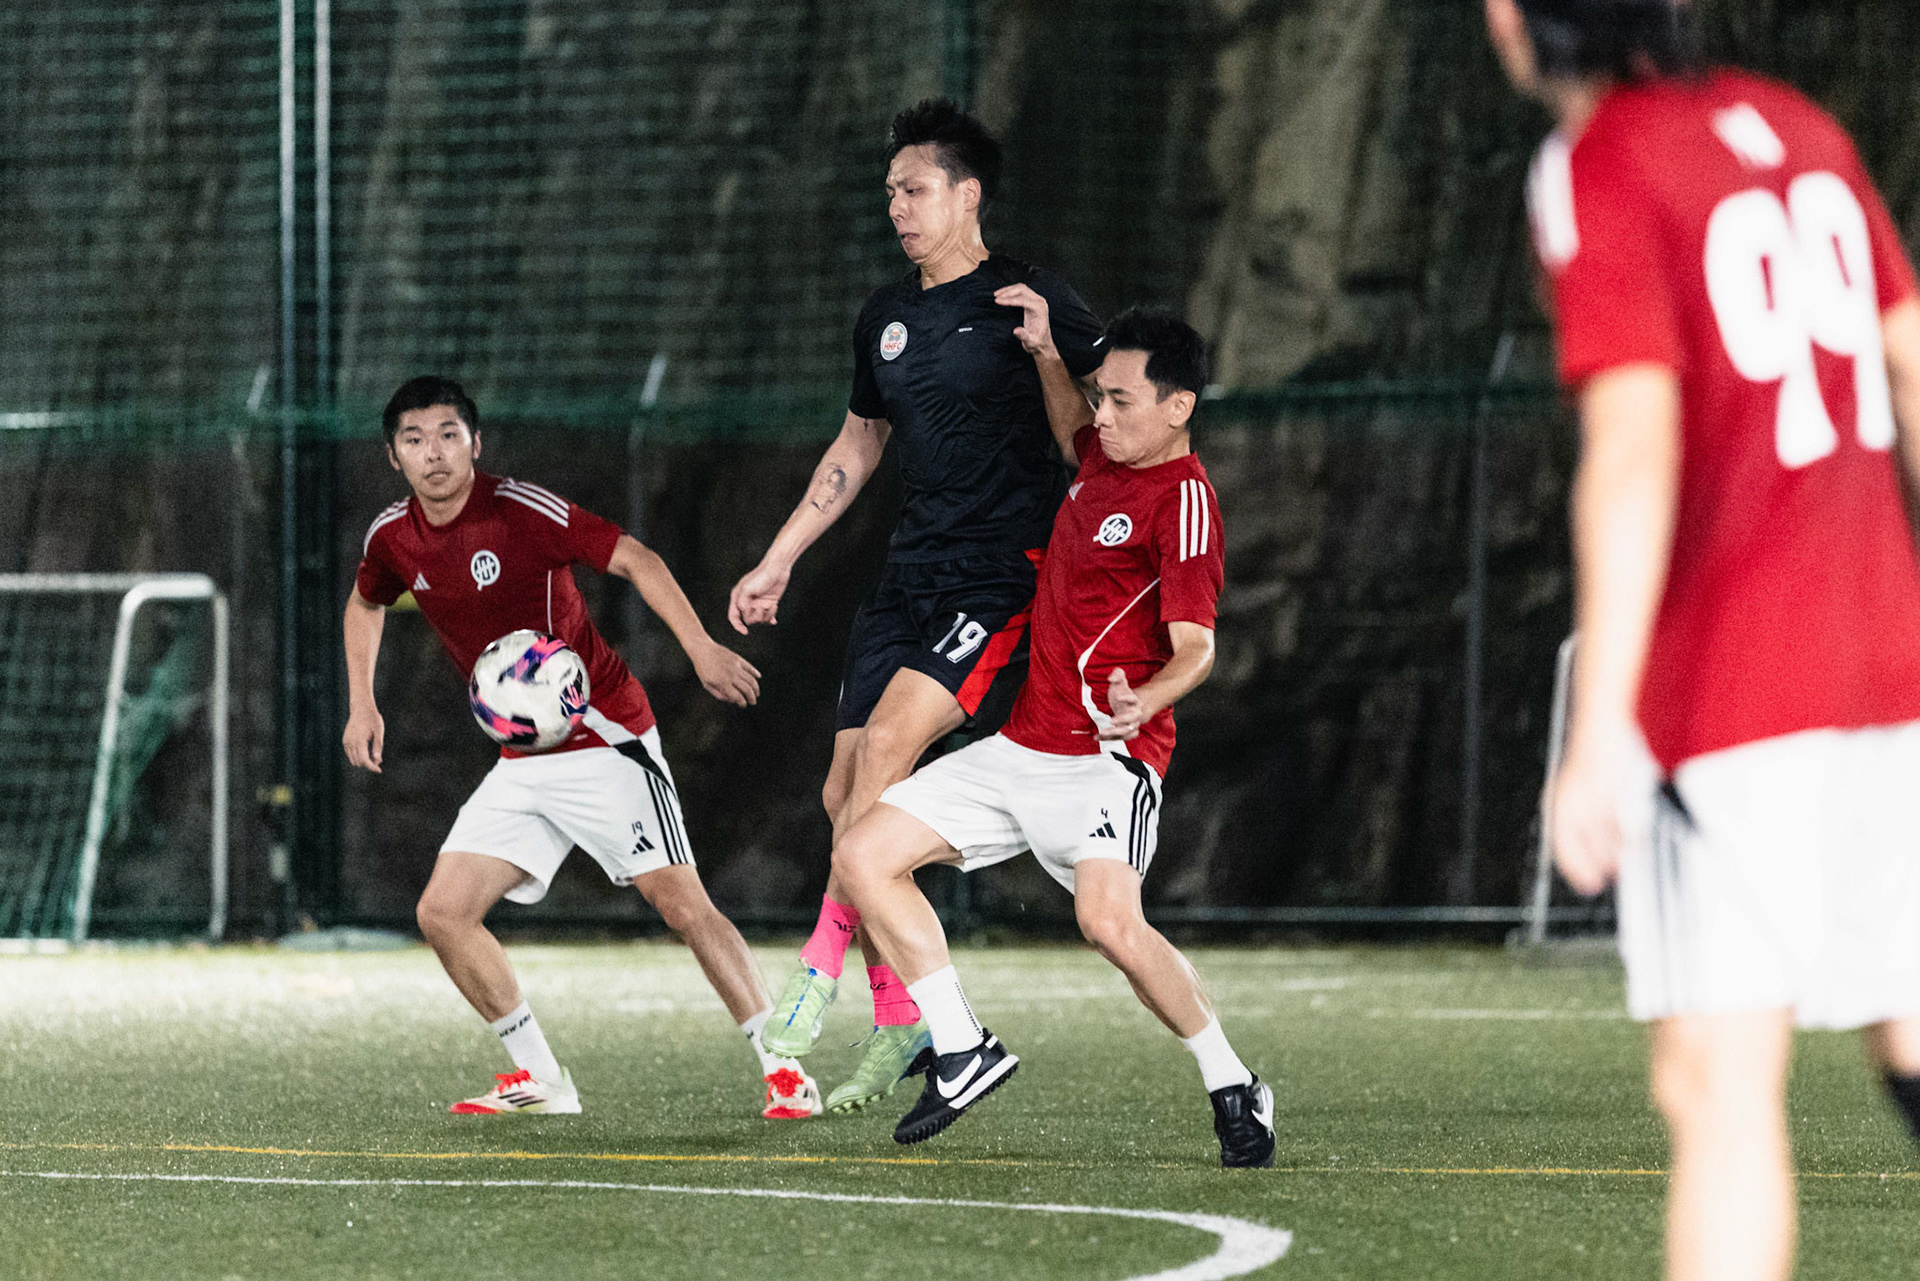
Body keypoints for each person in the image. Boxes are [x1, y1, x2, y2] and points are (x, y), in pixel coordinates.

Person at [1487, 1, 1920, 1275]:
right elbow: (1908, 359)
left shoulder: (1597, 162)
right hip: (1886, 657)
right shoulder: (1798, 126)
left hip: (1737, 681)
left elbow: (1632, 446)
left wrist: (1602, 722)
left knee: (1716, 1083)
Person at [829, 307, 1275, 1165]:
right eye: (1100, 397)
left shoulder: (1184, 503)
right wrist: (1040, 350)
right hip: (1020, 749)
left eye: (1121, 399)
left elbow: (1198, 648)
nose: (1101, 415)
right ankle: (963, 1047)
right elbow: (1071, 419)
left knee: (1108, 923)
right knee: (861, 851)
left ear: (1178, 406)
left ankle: (1231, 1082)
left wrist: (1147, 698)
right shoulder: (1102, 454)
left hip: (1105, 763)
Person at [727, 99, 1105, 1112]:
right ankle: (903, 1024)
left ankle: (814, 974)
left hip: (999, 577)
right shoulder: (884, 317)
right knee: (844, 790)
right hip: (907, 576)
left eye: (914, 188)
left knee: (888, 754)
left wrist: (1050, 355)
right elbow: (857, 446)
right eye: (890, 190)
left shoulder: (1033, 299)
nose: (896, 205)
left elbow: (1096, 449)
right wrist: (778, 562)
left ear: (967, 195)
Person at [343, 375, 822, 1120]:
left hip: (605, 740)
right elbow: (366, 600)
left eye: (446, 434)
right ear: (393, 457)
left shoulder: (519, 511)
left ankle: (785, 1068)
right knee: (443, 912)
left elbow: (635, 558)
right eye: (413, 439)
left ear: (476, 442)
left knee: (684, 907)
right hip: (521, 761)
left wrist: (699, 648)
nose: (432, 453)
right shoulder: (391, 536)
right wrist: (362, 701)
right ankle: (541, 1076)